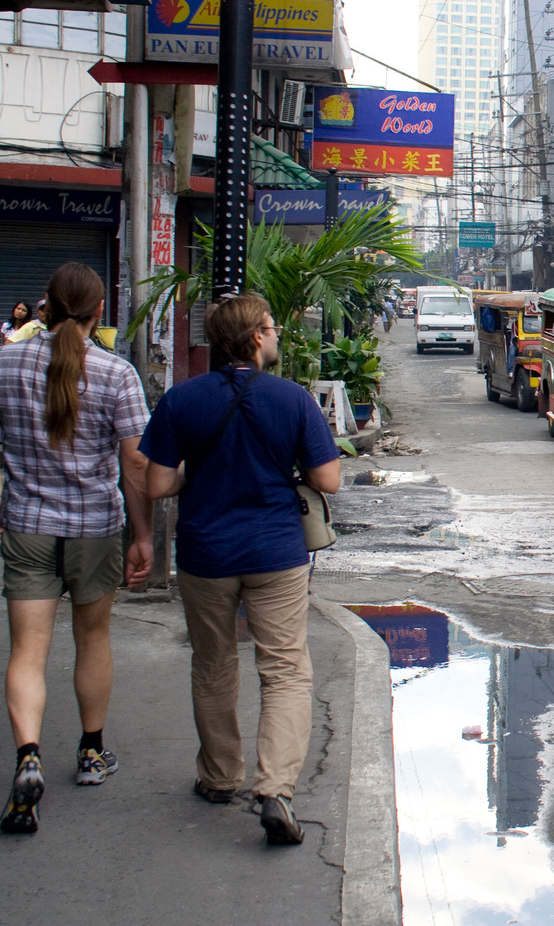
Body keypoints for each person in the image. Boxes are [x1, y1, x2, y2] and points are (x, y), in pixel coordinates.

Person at [138, 293, 341, 846]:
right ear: (255, 337)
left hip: (204, 554)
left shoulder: (182, 400)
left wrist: (190, 477)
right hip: (275, 555)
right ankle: (275, 789)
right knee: (284, 670)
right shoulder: (292, 400)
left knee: (213, 664)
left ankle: (219, 775)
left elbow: (156, 485)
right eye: (272, 328)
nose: (276, 336)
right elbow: (328, 481)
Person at [0, 263, 153, 835]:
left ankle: (29, 755)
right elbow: (135, 463)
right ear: (97, 314)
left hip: (26, 525)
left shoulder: (7, 363)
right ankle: (91, 752)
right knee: (91, 637)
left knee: (27, 651)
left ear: (45, 308)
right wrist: (142, 536)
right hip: (93, 527)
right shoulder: (117, 375)